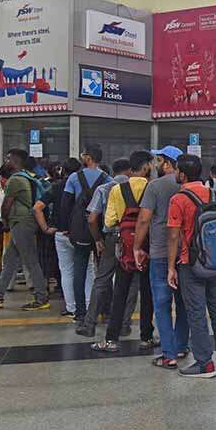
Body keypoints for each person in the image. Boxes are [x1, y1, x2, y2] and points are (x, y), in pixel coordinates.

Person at [166, 154, 216, 377]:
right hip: (215, 261)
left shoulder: (179, 199)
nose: (175, 173)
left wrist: (170, 267)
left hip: (191, 263)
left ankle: (204, 363)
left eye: (176, 170)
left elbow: (174, 236)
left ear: (183, 174)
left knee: (196, 313)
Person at [92, 151, 158, 352]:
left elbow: (109, 221)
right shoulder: (152, 188)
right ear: (146, 166)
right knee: (147, 292)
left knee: (120, 291)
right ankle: (146, 337)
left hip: (125, 246)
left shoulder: (117, 189)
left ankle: (111, 339)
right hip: (148, 245)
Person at [0, 149, 50, 311]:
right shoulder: (26, 176)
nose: (5, 161)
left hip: (21, 223)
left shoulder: (15, 180)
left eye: (8, 158)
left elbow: (7, 204)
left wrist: (3, 222)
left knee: (31, 260)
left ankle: (41, 297)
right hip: (24, 222)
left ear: (15, 161)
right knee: (10, 261)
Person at [135, 146, 189, 366]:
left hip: (159, 253)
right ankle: (181, 347)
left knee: (162, 304)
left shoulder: (154, 186)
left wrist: (137, 246)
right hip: (185, 255)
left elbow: (144, 220)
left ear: (168, 163)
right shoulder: (189, 187)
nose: (156, 164)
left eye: (159, 160)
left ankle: (169, 355)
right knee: (184, 303)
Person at [76, 159, 138, 338]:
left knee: (102, 280)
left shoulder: (103, 189)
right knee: (132, 281)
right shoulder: (138, 188)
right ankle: (124, 324)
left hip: (111, 238)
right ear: (129, 171)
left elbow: (92, 218)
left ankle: (89, 325)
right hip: (132, 239)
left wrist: (97, 239)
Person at [34, 158, 94, 317]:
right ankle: (89, 305)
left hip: (60, 233)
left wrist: (46, 228)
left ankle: (71, 307)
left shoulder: (56, 187)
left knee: (66, 270)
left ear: (63, 171)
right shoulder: (86, 187)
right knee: (87, 270)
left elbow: (37, 208)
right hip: (82, 233)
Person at [62, 145, 112, 321]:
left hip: (79, 230)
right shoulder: (108, 179)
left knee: (79, 269)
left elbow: (66, 204)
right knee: (104, 271)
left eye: (84, 155)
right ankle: (105, 310)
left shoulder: (74, 178)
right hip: (100, 228)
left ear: (89, 158)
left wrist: (68, 228)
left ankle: (81, 312)